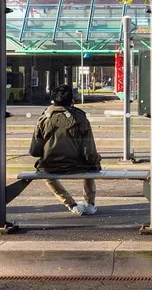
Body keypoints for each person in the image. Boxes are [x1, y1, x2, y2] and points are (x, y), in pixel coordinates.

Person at [29, 84, 101, 215]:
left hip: (51, 167)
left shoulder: (43, 119)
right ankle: (90, 204)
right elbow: (89, 152)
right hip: (77, 165)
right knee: (92, 164)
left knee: (44, 172)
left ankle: (71, 204)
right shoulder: (81, 118)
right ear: (72, 101)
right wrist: (95, 160)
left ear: (53, 101)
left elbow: (34, 151)